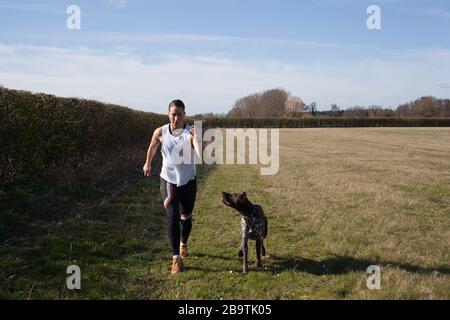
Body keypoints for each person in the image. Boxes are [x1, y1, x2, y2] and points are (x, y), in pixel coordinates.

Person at [143, 99, 200, 274]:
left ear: (184, 115)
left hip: (188, 181)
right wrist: (148, 163)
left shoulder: (190, 132)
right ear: (168, 114)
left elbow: (199, 152)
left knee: (186, 217)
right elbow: (152, 147)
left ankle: (183, 243)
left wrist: (198, 139)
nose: (176, 118)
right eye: (173, 114)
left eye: (179, 114)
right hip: (168, 180)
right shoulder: (160, 131)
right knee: (173, 216)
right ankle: (176, 259)